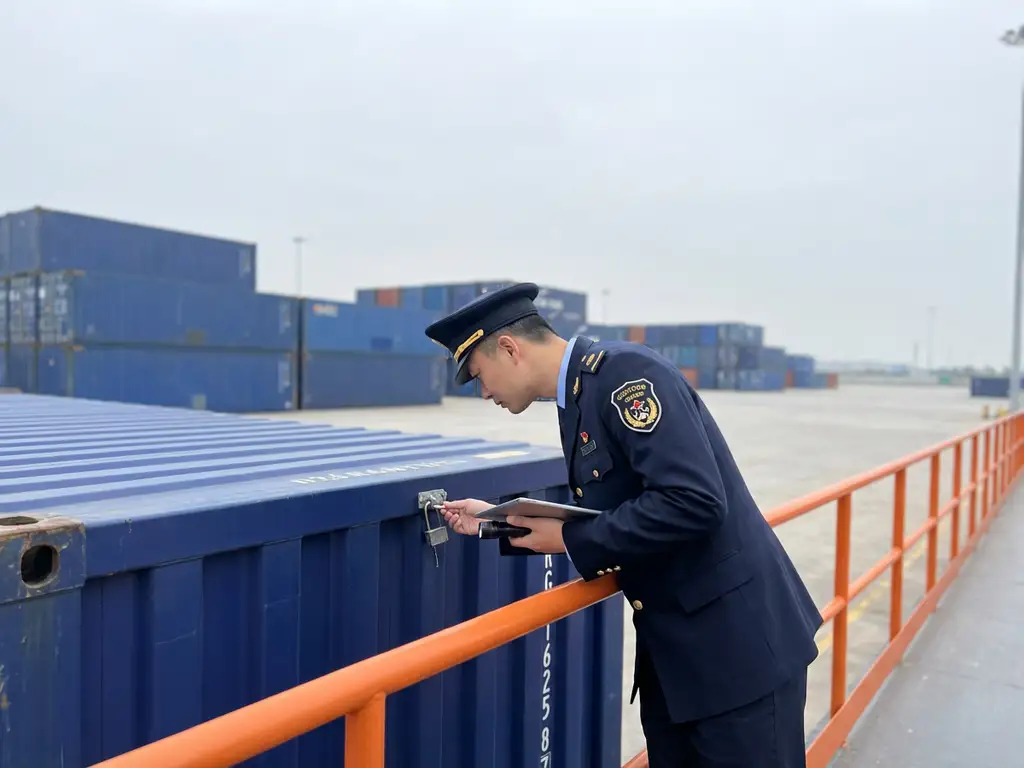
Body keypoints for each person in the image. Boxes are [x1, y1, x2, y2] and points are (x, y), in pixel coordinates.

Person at [424, 282, 823, 768]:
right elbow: (621, 508)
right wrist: (495, 522)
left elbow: (694, 502)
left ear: (509, 348)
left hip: (737, 659)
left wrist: (570, 539)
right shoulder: (579, 396)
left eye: (479, 375)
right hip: (678, 665)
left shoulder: (626, 377)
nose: (484, 392)